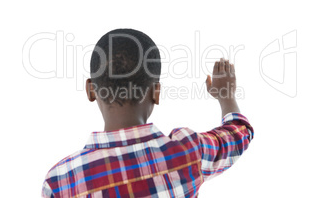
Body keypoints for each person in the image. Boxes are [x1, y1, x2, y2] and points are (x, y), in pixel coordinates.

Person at [42, 28, 254, 198]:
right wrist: (226, 96)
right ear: (156, 93)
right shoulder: (189, 151)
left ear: (90, 90)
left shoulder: (61, 181)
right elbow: (239, 133)